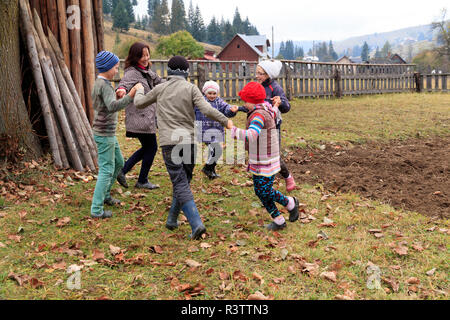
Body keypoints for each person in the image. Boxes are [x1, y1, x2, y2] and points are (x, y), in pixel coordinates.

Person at [134, 56, 233, 240]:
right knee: (184, 180)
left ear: (169, 72)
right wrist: (225, 120)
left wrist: (139, 90)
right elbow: (207, 109)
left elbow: (139, 103)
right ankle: (172, 219)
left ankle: (196, 224)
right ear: (186, 73)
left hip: (169, 142)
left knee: (180, 182)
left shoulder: (160, 88)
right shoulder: (191, 88)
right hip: (188, 141)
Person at [231, 81, 299, 231]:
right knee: (260, 190)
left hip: (266, 159)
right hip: (261, 157)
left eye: (245, 101)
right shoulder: (265, 107)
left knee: (264, 190)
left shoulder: (258, 115)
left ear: (252, 101)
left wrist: (233, 129)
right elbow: (274, 113)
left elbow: (251, 134)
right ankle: (279, 220)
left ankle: (290, 202)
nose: (244, 104)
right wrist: (275, 105)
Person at [90, 51, 141, 219]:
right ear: (107, 67)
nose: (117, 70)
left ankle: (105, 195)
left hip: (107, 132)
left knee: (119, 162)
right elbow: (112, 107)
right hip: (104, 133)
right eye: (116, 67)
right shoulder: (103, 85)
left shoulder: (102, 83)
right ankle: (96, 209)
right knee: (106, 169)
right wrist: (131, 96)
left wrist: (120, 95)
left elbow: (108, 102)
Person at [115, 42, 163, 190]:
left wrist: (175, 84)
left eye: (147, 55)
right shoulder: (132, 72)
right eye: (142, 56)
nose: (145, 58)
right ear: (135, 57)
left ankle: (126, 172)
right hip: (140, 117)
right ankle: (137, 178)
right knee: (151, 147)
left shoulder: (147, 72)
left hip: (147, 116)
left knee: (148, 148)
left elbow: (160, 82)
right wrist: (121, 91)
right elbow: (123, 84)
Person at [256, 60, 296, 192]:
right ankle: (265, 184)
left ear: (268, 74)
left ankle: (288, 176)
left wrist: (280, 102)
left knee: (273, 155)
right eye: (256, 73)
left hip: (273, 127)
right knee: (261, 154)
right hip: (259, 125)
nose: (257, 76)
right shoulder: (258, 86)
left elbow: (287, 107)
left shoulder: (275, 88)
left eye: (260, 73)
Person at [195, 81, 239, 179]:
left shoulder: (219, 102)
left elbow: (226, 108)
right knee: (216, 149)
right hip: (204, 131)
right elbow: (191, 112)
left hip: (217, 130)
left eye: (214, 93)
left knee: (214, 151)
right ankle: (207, 168)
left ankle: (211, 171)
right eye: (209, 93)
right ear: (205, 93)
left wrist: (231, 110)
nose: (212, 95)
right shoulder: (201, 102)